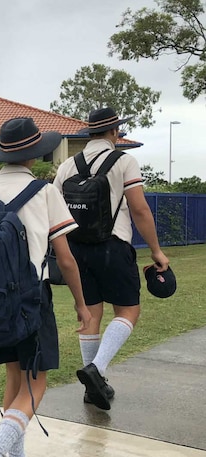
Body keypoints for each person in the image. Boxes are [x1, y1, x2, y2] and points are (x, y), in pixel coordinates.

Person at [0, 117, 91, 457]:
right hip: (32, 298)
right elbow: (66, 258)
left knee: (15, 378)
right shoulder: (44, 191)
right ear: (35, 154)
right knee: (38, 382)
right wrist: (82, 305)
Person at [53, 108, 170, 410]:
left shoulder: (67, 166)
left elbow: (54, 212)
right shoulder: (124, 161)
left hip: (77, 251)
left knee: (90, 316)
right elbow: (140, 209)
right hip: (113, 247)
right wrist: (156, 250)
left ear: (89, 133)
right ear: (115, 133)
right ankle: (97, 369)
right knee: (128, 311)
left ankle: (93, 390)